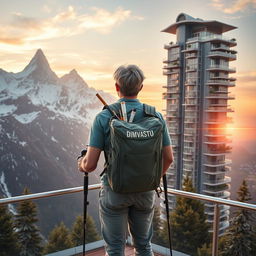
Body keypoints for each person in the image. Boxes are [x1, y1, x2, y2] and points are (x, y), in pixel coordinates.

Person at [78, 65, 173, 256]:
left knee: (114, 249)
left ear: (116, 87)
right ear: (141, 87)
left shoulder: (104, 117)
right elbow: (168, 158)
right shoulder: (156, 116)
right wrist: (149, 178)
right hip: (146, 192)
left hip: (115, 191)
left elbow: (90, 165)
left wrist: (81, 162)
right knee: (144, 247)